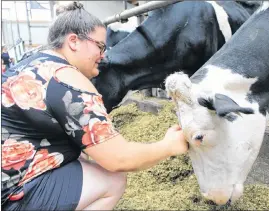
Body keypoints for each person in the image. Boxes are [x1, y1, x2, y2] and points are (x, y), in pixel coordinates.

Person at [1, 2, 188, 210]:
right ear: (73, 41)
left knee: (83, 153)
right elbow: (118, 158)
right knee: (113, 179)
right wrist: (169, 145)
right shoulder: (66, 79)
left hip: (9, 176)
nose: (103, 55)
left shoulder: (32, 62)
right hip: (14, 195)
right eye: (100, 46)